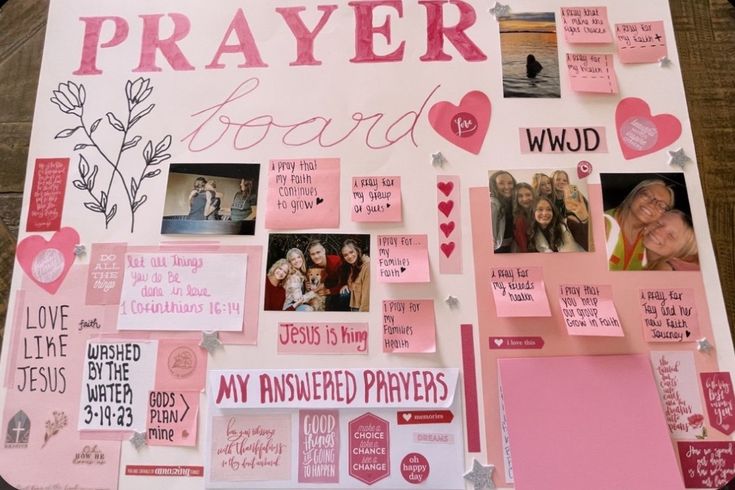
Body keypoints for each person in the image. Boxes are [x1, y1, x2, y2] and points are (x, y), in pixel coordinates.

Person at [604, 179, 675, 270]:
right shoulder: (602, 224)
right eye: (647, 195)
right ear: (634, 194)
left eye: (661, 205)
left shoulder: (650, 243)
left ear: (663, 216)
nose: (652, 204)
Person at [550, 170, 591, 250]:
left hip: (578, 228)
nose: (562, 182)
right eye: (558, 179)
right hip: (560, 233)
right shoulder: (550, 199)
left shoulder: (574, 193)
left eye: (564, 180)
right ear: (552, 181)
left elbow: (587, 210)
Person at [306, 239, 349, 311]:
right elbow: (312, 281)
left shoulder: (336, 261)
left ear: (324, 251)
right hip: (327, 293)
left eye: (318, 252)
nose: (316, 256)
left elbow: (346, 280)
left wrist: (330, 291)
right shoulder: (314, 268)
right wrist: (308, 285)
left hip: (340, 290)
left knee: (344, 294)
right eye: (312, 254)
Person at [489, 170, 516, 253]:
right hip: (499, 250)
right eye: (501, 183)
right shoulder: (493, 204)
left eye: (510, 183)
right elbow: (491, 236)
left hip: (512, 247)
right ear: (494, 185)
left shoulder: (513, 201)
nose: (507, 187)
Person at [341, 239, 370, 312]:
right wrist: (345, 285)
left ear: (357, 250)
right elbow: (353, 284)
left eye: (351, 252)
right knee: (343, 295)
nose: (350, 256)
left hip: (362, 307)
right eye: (345, 255)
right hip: (354, 304)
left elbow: (367, 294)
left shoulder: (367, 266)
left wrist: (362, 313)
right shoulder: (352, 265)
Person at [512, 183, 535, 253]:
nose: (525, 199)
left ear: (533, 196)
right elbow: (523, 246)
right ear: (516, 199)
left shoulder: (537, 212)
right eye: (520, 196)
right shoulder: (519, 220)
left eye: (528, 195)